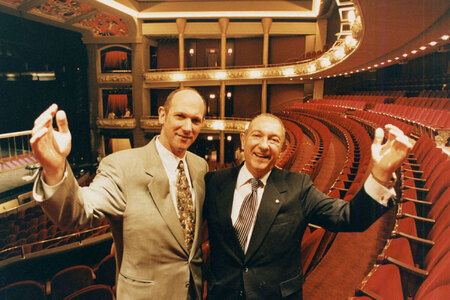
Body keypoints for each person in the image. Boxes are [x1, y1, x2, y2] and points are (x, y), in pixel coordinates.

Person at [204, 113, 412, 300]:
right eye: (257, 136)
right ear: (243, 139)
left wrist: (381, 175)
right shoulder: (214, 182)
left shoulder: (298, 186)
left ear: (283, 148)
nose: (264, 145)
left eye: (273, 139)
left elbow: (348, 217)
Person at [31, 88, 208, 300]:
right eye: (180, 116)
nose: (188, 127)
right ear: (162, 115)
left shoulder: (200, 167)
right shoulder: (121, 166)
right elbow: (78, 211)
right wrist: (55, 169)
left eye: (196, 120)